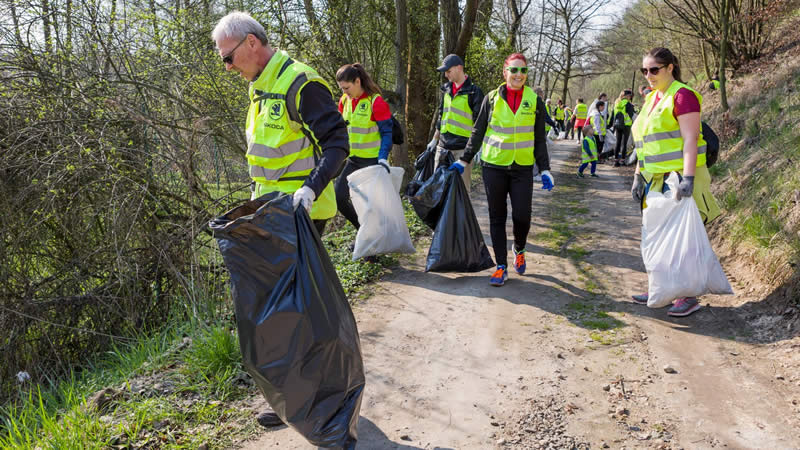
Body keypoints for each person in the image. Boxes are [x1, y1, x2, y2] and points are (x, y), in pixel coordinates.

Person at [211, 11, 349, 429]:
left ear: (252, 43)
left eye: (228, 57)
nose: (228, 67)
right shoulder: (261, 87)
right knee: (285, 310)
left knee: (292, 311)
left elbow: (337, 144)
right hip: (268, 213)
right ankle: (301, 394)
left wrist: (309, 189)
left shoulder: (300, 83)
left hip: (299, 213)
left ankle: (307, 397)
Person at [630, 47, 722, 317]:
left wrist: (689, 178)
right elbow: (644, 143)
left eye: (654, 70)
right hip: (654, 179)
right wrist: (637, 175)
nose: (649, 75)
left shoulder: (683, 96)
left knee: (682, 239)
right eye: (644, 70)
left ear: (671, 67)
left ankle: (688, 295)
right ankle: (661, 287)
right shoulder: (652, 99)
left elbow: (691, 139)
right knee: (656, 237)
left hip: (680, 177)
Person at [447, 53, 554, 287]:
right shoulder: (491, 98)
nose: (518, 75)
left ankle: (519, 247)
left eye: (523, 71)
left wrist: (545, 169)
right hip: (494, 166)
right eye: (514, 70)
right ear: (504, 73)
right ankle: (501, 266)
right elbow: (478, 131)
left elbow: (539, 139)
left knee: (522, 216)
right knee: (497, 217)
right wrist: (464, 159)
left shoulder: (534, 100)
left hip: (522, 168)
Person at [335, 63, 393, 233]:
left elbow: (387, 133)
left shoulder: (376, 102)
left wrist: (383, 157)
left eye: (346, 87)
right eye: (342, 89)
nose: (344, 92)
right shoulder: (344, 100)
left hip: (372, 162)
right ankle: (364, 233)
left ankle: (372, 247)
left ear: (357, 82)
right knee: (340, 197)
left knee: (370, 206)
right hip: (353, 160)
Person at [432, 54, 484, 193]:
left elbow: (479, 123)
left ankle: (461, 216)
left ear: (459, 68)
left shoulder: (474, 92)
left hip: (462, 150)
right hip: (442, 148)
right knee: (437, 191)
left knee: (461, 193)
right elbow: (441, 115)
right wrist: (434, 140)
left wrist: (476, 148)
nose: (446, 75)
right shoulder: (446, 90)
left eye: (448, 71)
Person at [612, 89, 636, 167]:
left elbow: (613, 115)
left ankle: (616, 161)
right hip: (626, 125)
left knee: (618, 142)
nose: (630, 98)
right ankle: (622, 160)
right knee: (624, 143)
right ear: (627, 96)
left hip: (618, 125)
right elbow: (632, 115)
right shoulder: (628, 104)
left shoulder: (617, 103)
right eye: (630, 96)